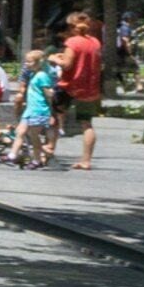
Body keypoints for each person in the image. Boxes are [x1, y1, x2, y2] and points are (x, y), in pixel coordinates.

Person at [54, 11, 110, 171]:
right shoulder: (95, 42)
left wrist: (54, 59)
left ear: (72, 27)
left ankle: (49, 150)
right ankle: (86, 160)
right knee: (87, 124)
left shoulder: (72, 42)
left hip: (69, 86)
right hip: (89, 88)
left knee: (53, 117)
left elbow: (67, 65)